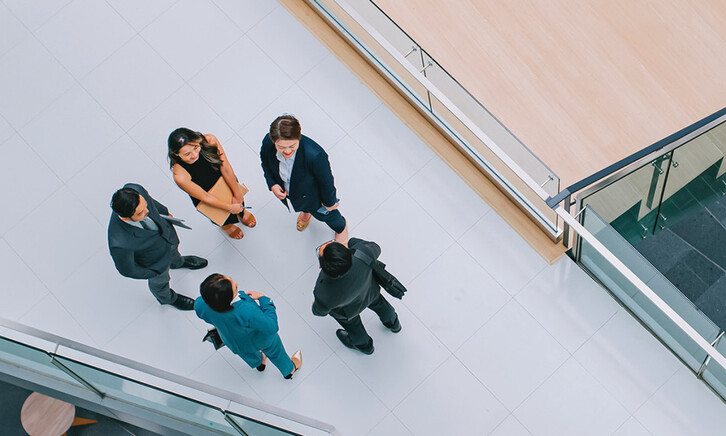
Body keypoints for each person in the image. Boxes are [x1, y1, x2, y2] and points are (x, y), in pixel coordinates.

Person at [108, 183, 207, 310]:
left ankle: (177, 263)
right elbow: (128, 270)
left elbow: (152, 202)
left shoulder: (135, 189)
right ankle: (168, 298)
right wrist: (153, 272)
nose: (147, 212)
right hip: (154, 262)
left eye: (145, 206)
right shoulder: (119, 243)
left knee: (174, 253)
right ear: (127, 218)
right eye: (140, 213)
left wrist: (165, 213)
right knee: (160, 283)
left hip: (167, 237)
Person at [260, 114, 348, 243]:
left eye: (292, 146)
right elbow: (265, 163)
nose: (287, 151)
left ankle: (341, 228)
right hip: (290, 190)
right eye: (281, 147)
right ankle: (306, 212)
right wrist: (272, 184)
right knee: (302, 204)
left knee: (328, 215)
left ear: (299, 137)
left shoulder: (315, 155)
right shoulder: (268, 143)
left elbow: (326, 182)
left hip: (312, 195)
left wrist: (329, 203)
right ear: (274, 142)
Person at [195, 273, 302, 378]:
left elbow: (205, 315)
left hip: (233, 342)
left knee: (246, 354)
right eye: (235, 288)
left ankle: (259, 364)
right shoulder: (246, 310)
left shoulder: (200, 304)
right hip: (261, 340)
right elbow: (272, 327)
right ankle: (289, 370)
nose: (237, 283)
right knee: (276, 353)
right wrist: (264, 299)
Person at [312, 238, 400, 355]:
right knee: (381, 305)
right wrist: (352, 243)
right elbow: (375, 247)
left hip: (347, 312)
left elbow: (319, 311)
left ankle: (365, 346)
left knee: (354, 326)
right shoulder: (362, 253)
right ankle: (393, 323)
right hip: (370, 291)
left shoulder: (323, 291)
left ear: (321, 266)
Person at [169, 128, 256, 239]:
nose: (194, 154)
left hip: (223, 180)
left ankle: (242, 212)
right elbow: (205, 197)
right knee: (219, 214)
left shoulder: (209, 140)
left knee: (238, 201)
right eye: (187, 154)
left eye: (196, 147)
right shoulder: (179, 174)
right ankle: (227, 226)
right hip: (205, 194)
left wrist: (237, 195)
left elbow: (226, 167)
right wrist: (230, 207)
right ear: (176, 154)